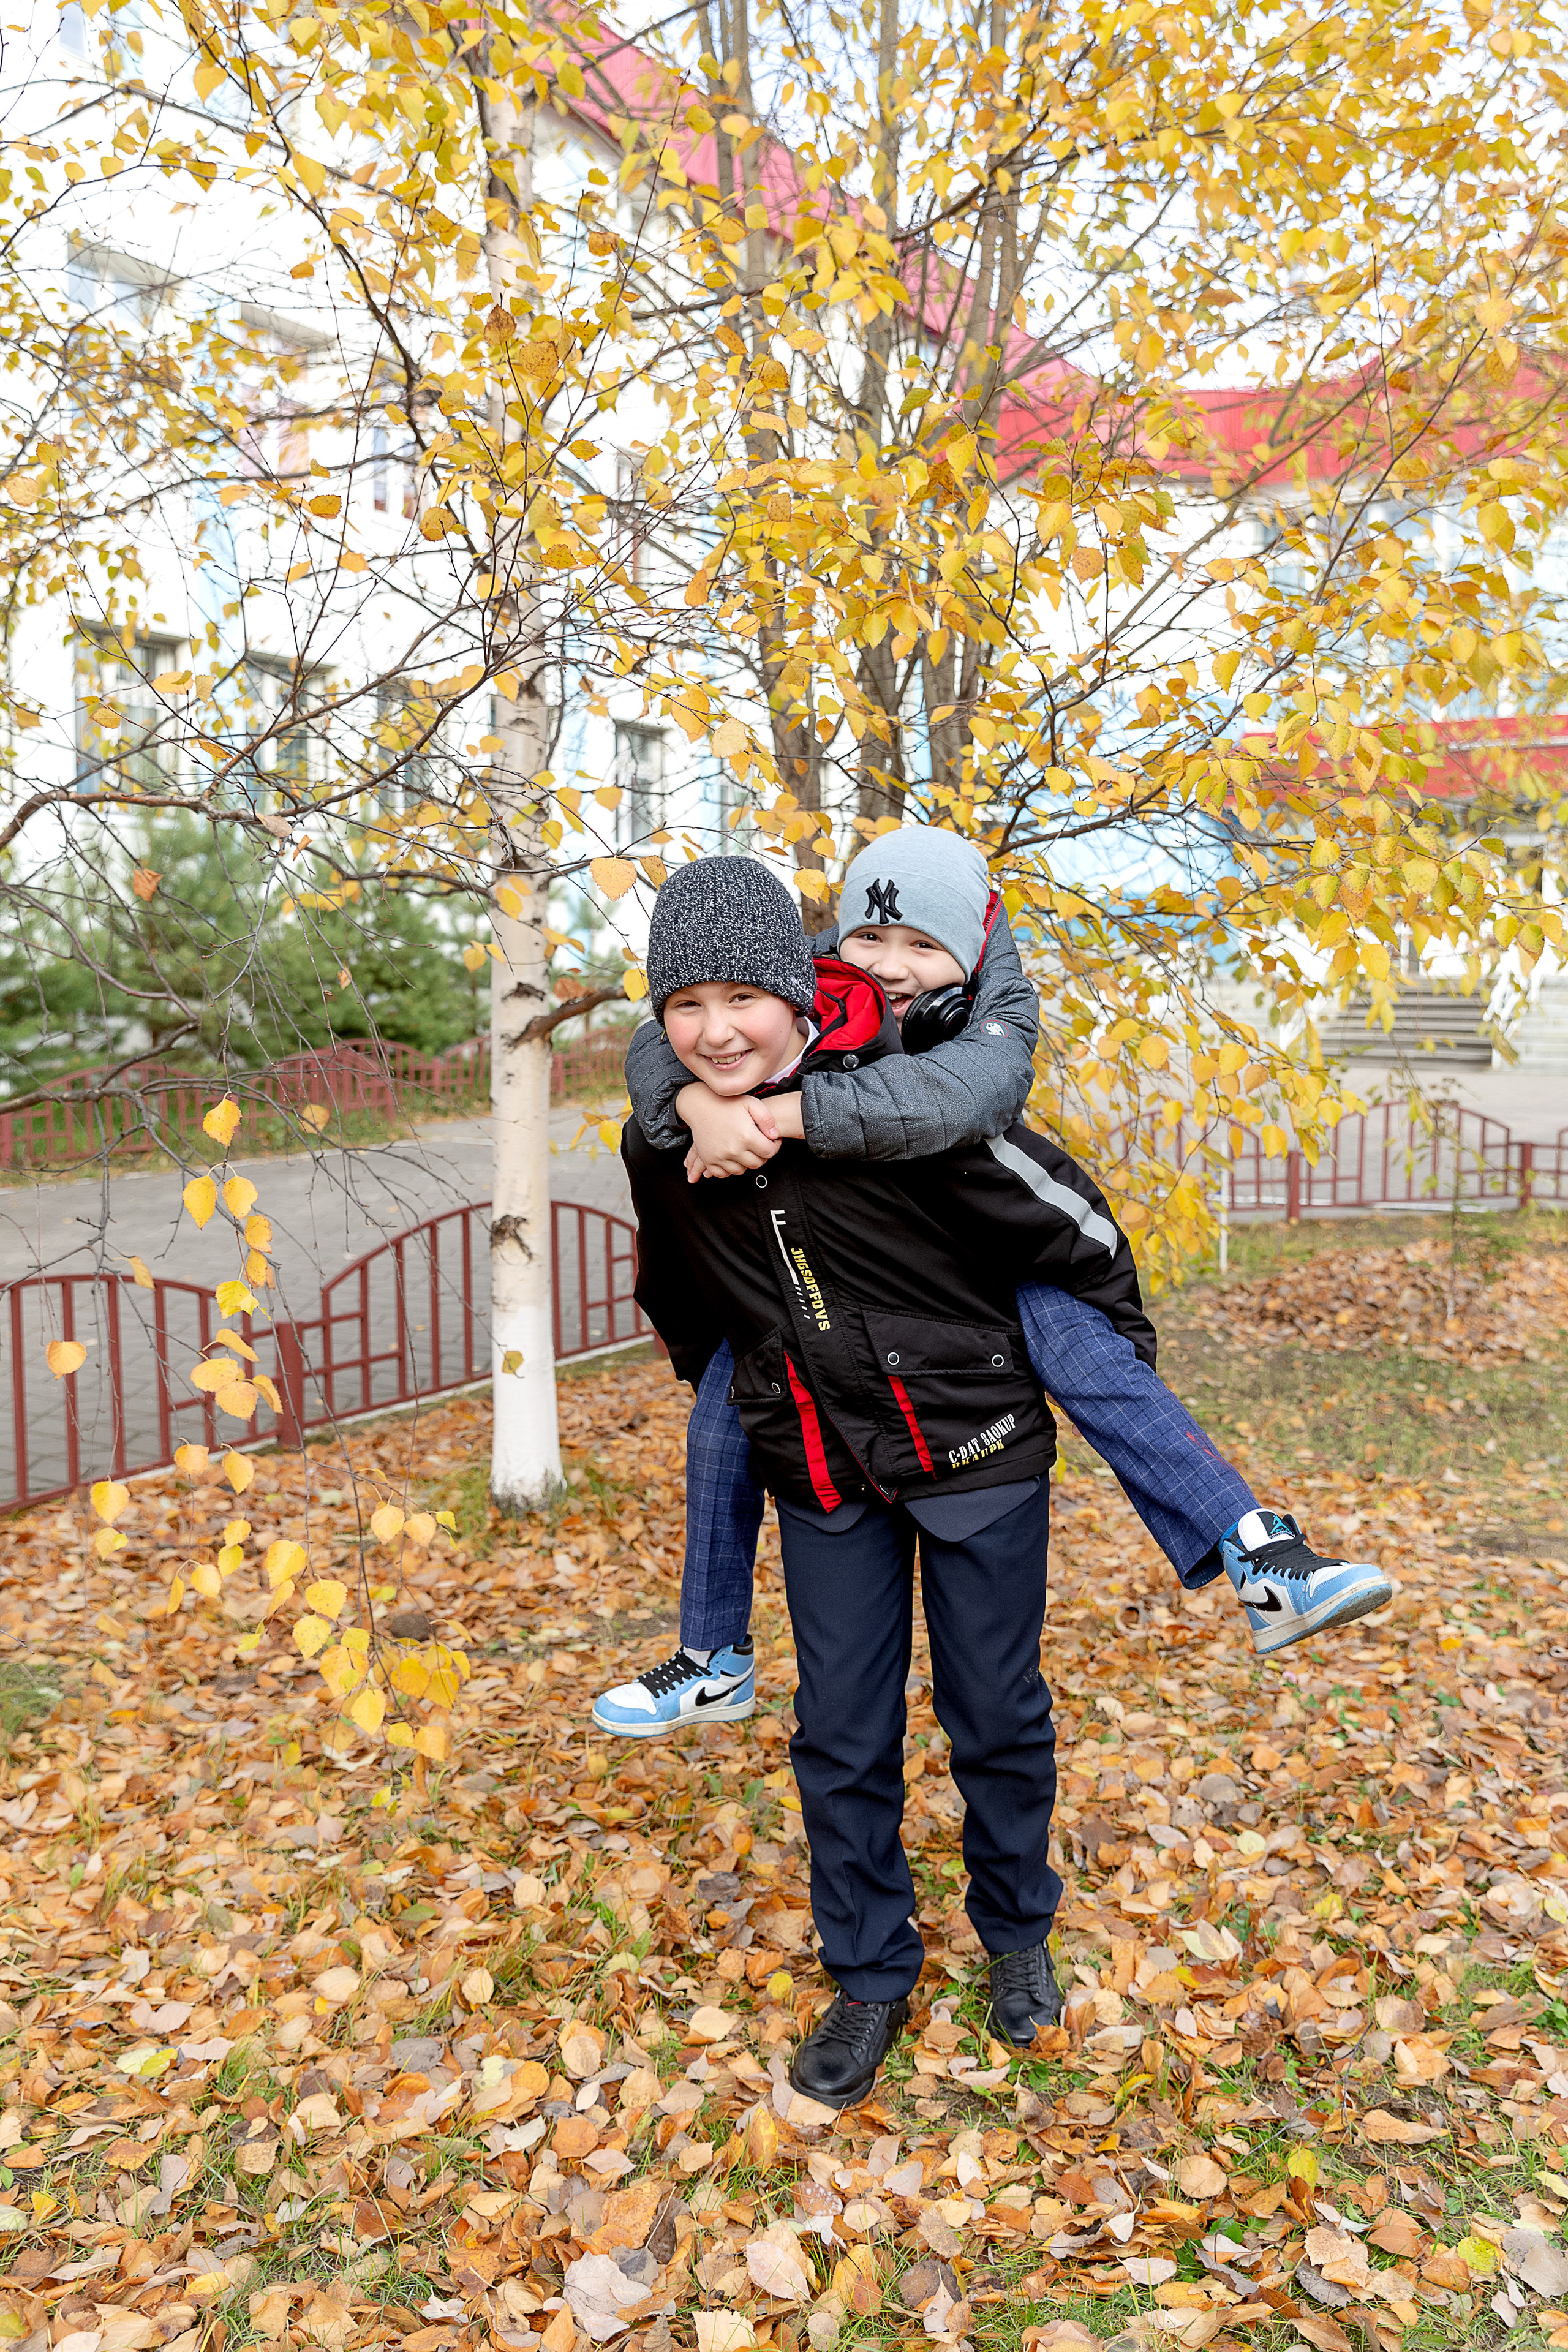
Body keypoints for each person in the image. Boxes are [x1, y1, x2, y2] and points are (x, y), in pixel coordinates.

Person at [594, 828, 1391, 1738]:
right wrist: (695, 1099)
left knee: (1058, 1327)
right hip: (833, 1340)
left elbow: (959, 1100)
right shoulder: (785, 992)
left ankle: (1253, 1545)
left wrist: (778, 1114)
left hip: (1001, 1273)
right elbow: (670, 1032)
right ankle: (711, 1655)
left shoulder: (988, 1015)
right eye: (871, 941)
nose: (893, 970)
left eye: (924, 946)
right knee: (741, 1382)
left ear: (970, 948)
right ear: (826, 949)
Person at [622, 851, 1168, 2100]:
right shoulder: (669, 1138)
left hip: (974, 1455)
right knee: (842, 1735)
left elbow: (1065, 1228)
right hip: (822, 1472)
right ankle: (869, 1974)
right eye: (683, 1008)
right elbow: (675, 1279)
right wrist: (741, 1372)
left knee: (995, 1712)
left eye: (738, 1001)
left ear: (793, 995)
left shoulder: (908, 1100)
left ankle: (1017, 1934)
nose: (714, 1033)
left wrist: (1105, 1345)